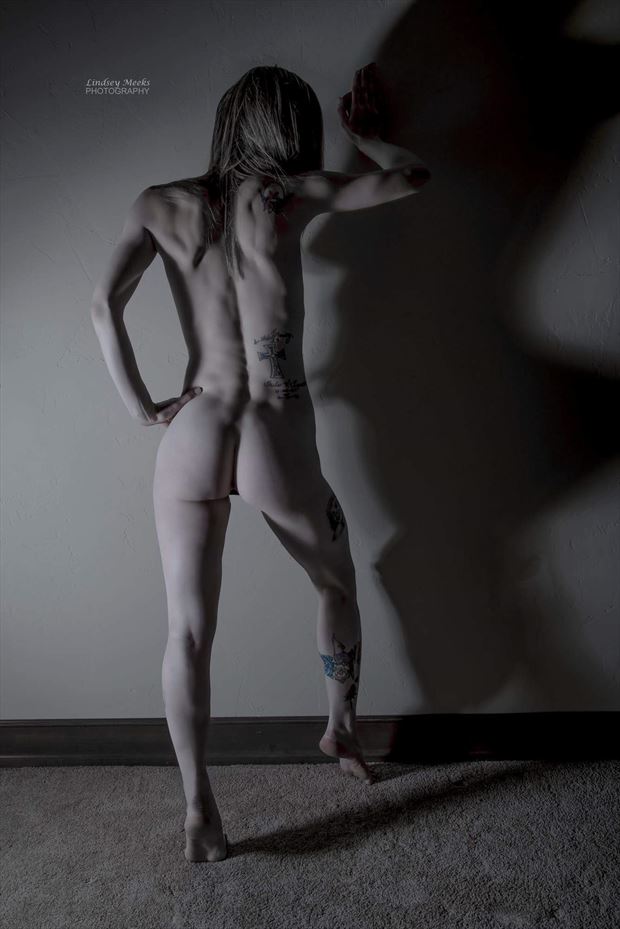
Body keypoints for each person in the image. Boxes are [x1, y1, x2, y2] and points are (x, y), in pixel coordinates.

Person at [90, 62, 431, 863]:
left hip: (195, 425)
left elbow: (103, 302)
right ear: (289, 127)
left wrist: (141, 406)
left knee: (186, 628)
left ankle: (199, 809)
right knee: (337, 581)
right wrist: (369, 138)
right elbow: (412, 175)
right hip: (274, 427)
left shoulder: (158, 203)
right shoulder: (290, 195)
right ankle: (340, 728)